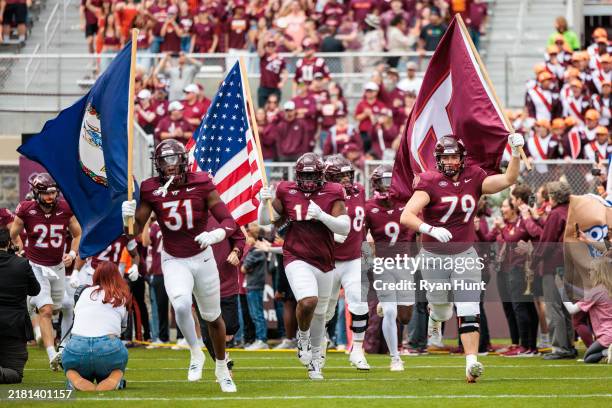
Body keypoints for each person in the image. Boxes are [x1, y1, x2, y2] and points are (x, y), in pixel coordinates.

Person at [400, 133, 524, 382]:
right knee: (443, 309)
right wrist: (430, 229)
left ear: (462, 158)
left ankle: (471, 363)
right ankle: (436, 316)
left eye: (454, 156)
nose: (450, 161)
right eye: (446, 157)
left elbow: (510, 178)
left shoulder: (475, 176)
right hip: (434, 254)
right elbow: (407, 215)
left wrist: (516, 151)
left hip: (465, 253)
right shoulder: (429, 181)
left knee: (468, 308)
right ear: (437, 159)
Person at [120, 139, 238, 392]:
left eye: (174, 160)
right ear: (157, 164)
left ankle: (220, 367)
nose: (170, 166)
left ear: (184, 160)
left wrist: (215, 235)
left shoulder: (202, 183)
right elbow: (133, 232)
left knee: (213, 317)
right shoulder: (151, 188)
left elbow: (228, 221)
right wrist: (127, 216)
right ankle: (196, 352)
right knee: (181, 303)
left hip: (203, 257)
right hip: (173, 257)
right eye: (164, 161)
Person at [257, 152, 349, 380]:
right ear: (297, 175)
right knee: (308, 301)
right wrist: (263, 204)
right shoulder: (286, 190)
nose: (308, 180)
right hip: (295, 255)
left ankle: (316, 362)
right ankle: (303, 336)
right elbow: (265, 221)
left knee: (320, 315)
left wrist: (323, 216)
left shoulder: (333, 191)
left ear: (322, 175)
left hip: (325, 259)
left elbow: (344, 228)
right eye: (304, 175)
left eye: (313, 175)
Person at [10, 173, 82, 371]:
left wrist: (73, 253)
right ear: (36, 193)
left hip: (58, 266)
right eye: (46, 193)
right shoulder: (26, 210)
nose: (51, 197)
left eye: (53, 192)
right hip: (36, 266)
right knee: (47, 310)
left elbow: (77, 233)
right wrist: (19, 249)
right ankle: (52, 355)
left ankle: (33, 302)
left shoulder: (65, 208)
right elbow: (13, 234)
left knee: (58, 308)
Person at [365, 164, 417, 370]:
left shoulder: (406, 203)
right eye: (382, 182)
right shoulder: (369, 207)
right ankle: (395, 358)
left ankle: (388, 305)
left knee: (405, 317)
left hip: (404, 264)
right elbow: (362, 238)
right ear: (375, 184)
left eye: (390, 182)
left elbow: (418, 230)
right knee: (389, 313)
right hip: (383, 265)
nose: (386, 187)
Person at [322, 155, 370, 370]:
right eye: (340, 177)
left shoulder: (359, 189)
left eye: (347, 175)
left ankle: (358, 350)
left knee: (359, 303)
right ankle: (318, 344)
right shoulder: (323, 195)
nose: (346, 180)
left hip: (353, 257)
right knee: (326, 309)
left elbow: (365, 222)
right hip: (328, 258)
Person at [62, 262, 130, 391]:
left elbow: (77, 317)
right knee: (122, 353)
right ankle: (115, 378)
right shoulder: (120, 296)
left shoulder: (83, 292)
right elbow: (122, 329)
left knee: (69, 364)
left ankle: (73, 378)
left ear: (96, 275)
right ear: (117, 277)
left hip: (77, 347)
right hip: (108, 349)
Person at [535, 181, 576, 360]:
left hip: (554, 267)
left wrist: (534, 260)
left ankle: (560, 347)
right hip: (570, 264)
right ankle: (569, 345)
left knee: (554, 308)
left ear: (554, 196)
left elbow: (546, 243)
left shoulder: (555, 214)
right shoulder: (572, 212)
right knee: (566, 308)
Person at [0, 227, 40, 383]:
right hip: (14, 326)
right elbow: (35, 290)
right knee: (15, 374)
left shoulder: (20, 263)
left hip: (14, 327)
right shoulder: (22, 264)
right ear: (10, 243)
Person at [563, 257, 612, 364]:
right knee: (589, 356)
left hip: (606, 335)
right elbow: (585, 297)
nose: (589, 272)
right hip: (608, 333)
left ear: (598, 272)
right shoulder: (607, 288)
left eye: (591, 270)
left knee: (588, 359)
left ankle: (606, 352)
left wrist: (562, 292)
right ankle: (607, 352)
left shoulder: (596, 291)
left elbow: (572, 310)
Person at [242, 224, 269, 350]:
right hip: (252, 285)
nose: (246, 239)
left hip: (255, 285)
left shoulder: (257, 250)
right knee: (254, 314)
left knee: (257, 314)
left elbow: (243, 268)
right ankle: (259, 339)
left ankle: (261, 340)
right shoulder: (254, 250)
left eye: (248, 235)